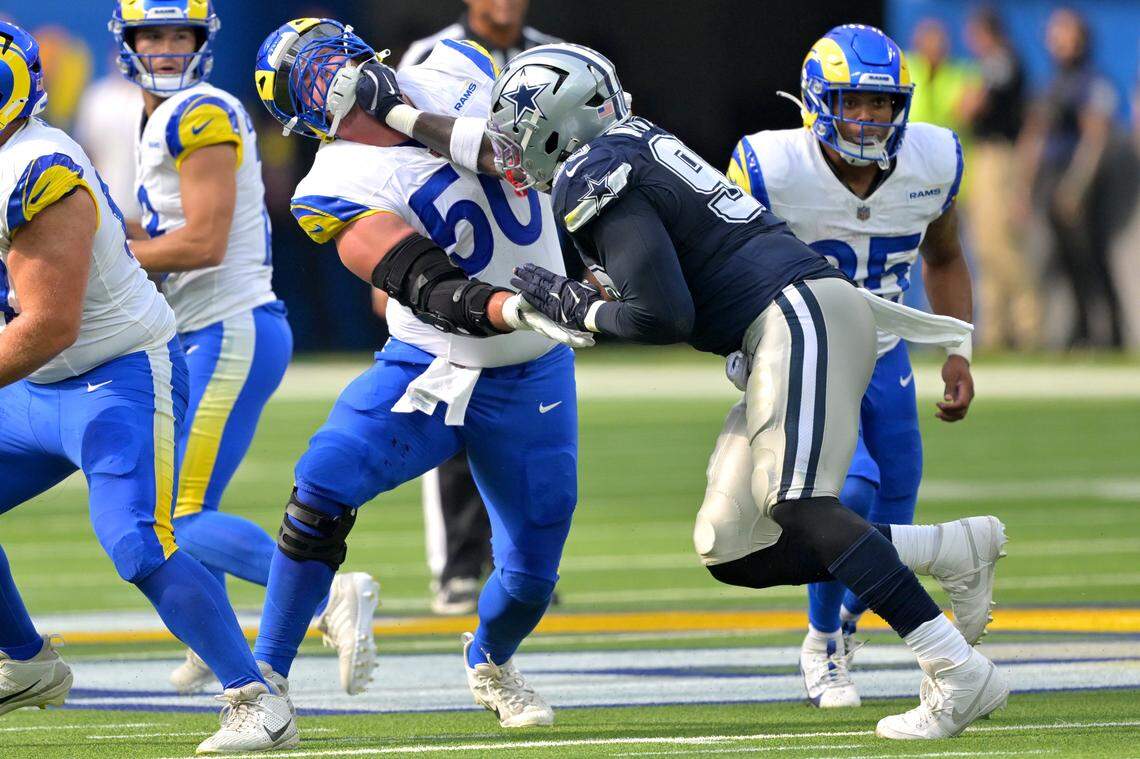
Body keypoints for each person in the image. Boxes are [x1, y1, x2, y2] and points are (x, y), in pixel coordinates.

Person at [359, 40, 1011, 740]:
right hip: (788, 323)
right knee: (731, 546)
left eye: (518, 135)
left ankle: (956, 669)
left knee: (800, 503)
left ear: (552, 126)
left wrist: (584, 311)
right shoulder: (629, 142)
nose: (511, 155)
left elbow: (662, 315)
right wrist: (398, 113)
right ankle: (946, 549)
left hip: (799, 314)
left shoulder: (591, 170)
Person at [251, 18, 591, 727]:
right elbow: (427, 283)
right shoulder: (332, 183)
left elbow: (531, 151)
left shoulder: (459, 66)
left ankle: (491, 660)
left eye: (328, 60)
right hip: (430, 362)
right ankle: (264, 685)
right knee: (322, 483)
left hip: (531, 372)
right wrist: (513, 306)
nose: (330, 81)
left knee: (531, 575)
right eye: (307, 79)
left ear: (358, 49)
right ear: (299, 114)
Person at [0, 21, 296, 753]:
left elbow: (48, 324)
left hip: (117, 369)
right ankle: (26, 661)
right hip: (40, 384)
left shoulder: (36, 170)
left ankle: (256, 698)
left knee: (137, 540)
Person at [109, 0, 378, 696]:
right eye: (152, 34)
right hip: (207, 330)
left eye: (180, 34)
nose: (167, 47)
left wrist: (106, 258)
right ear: (128, 42)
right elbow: (174, 227)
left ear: (201, 42)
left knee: (177, 516)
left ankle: (328, 595)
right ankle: (215, 637)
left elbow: (204, 241)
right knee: (184, 500)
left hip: (228, 328)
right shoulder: (160, 116)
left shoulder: (198, 111)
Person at [726, 24, 977, 709]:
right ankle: (822, 643)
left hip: (885, 351)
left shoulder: (932, 160)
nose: (868, 118)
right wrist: (744, 345)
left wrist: (958, 347)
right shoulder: (771, 166)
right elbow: (726, 263)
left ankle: (844, 617)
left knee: (895, 503)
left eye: (882, 102)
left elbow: (945, 255)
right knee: (850, 494)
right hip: (807, 350)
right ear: (817, 102)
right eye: (852, 102)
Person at [398, 0, 563, 616]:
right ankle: (460, 565)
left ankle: (520, 567)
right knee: (452, 411)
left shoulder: (553, 56)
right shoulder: (430, 53)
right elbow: (403, 157)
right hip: (459, 252)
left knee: (529, 420)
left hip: (533, 250)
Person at [1017, 7, 1124, 348]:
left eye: (1064, 32)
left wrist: (1076, 187)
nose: (1057, 39)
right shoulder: (1052, 83)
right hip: (1052, 180)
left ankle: (1112, 335)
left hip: (1079, 181)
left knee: (1091, 258)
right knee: (1066, 262)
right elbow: (1036, 137)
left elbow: (1094, 139)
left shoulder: (1092, 81)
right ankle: (1082, 332)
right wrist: (1025, 188)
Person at [960, 7, 1041, 350]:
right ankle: (995, 333)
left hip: (998, 156)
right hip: (985, 156)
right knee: (984, 247)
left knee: (999, 245)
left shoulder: (1001, 61)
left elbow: (969, 107)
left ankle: (1028, 326)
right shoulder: (997, 62)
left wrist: (967, 97)